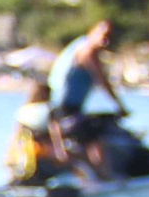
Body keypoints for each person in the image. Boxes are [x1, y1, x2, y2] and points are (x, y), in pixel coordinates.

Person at [48, 19, 126, 180]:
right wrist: (119, 106)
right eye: (104, 36)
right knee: (97, 137)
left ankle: (89, 176)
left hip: (59, 111)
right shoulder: (88, 51)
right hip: (66, 112)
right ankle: (104, 178)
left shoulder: (77, 45)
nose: (106, 41)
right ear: (93, 32)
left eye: (110, 38)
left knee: (88, 133)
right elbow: (102, 81)